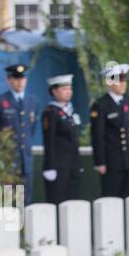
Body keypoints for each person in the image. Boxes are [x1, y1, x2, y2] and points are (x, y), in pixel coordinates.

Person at [0, 63, 38, 200]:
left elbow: (31, 129)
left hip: (26, 160)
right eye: (16, 79)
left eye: (22, 79)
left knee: (26, 200)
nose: (20, 82)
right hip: (7, 161)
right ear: (9, 80)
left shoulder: (33, 102)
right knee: (8, 201)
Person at [90, 62, 129, 199]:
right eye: (119, 81)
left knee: (127, 198)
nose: (123, 84)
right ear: (109, 83)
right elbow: (97, 135)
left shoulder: (125, 102)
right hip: (111, 162)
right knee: (111, 198)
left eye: (124, 80)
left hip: (126, 161)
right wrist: (100, 162)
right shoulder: (101, 105)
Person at [41, 74, 82, 205]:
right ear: (54, 91)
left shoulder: (70, 111)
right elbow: (49, 140)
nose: (68, 92)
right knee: (58, 202)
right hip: (58, 166)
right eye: (64, 89)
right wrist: (50, 166)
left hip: (72, 164)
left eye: (69, 88)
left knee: (72, 203)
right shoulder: (51, 112)